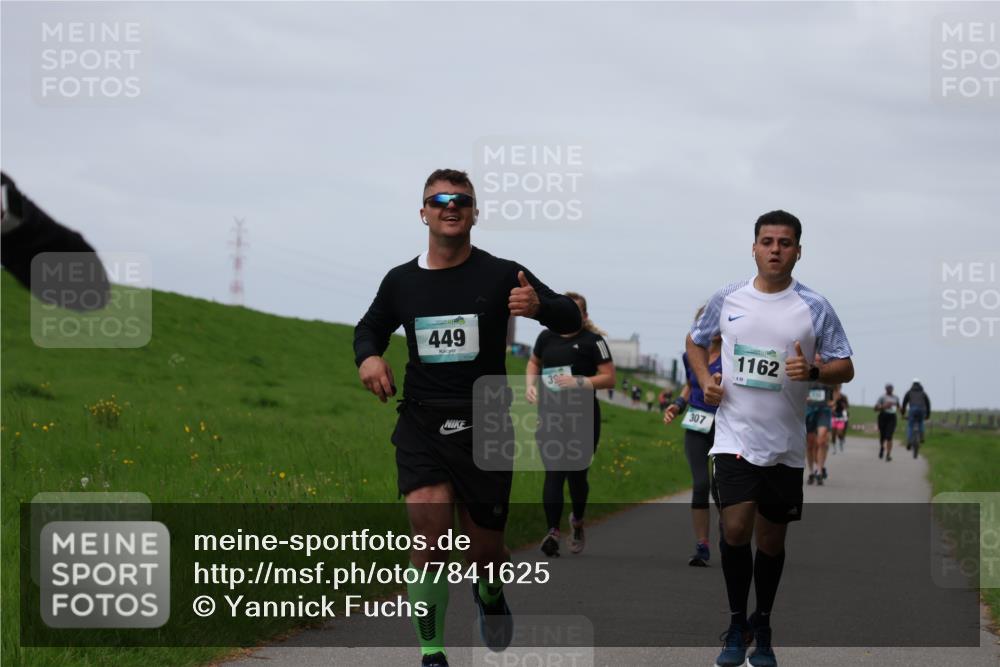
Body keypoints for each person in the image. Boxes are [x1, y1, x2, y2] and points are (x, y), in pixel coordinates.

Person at [353, 169, 582, 667]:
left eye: (461, 199)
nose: (450, 206)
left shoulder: (502, 274)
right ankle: (432, 652)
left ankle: (490, 591)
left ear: (475, 213)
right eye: (438, 199)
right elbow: (368, 329)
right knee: (430, 540)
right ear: (423, 213)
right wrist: (369, 358)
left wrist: (540, 305)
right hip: (422, 421)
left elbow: (571, 318)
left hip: (488, 421)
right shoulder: (401, 281)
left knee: (484, 554)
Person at [687, 210, 854, 667]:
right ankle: (737, 623)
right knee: (736, 529)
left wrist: (815, 370)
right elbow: (695, 340)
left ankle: (763, 623)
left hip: (785, 444)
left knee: (772, 542)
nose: (775, 249)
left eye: (784, 242)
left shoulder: (815, 306)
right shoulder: (728, 297)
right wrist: (705, 379)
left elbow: (846, 364)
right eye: (767, 241)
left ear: (798, 251)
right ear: (754, 247)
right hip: (734, 435)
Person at [526, 292, 615, 557]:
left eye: (573, 312)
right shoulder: (545, 338)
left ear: (584, 316)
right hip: (550, 415)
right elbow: (534, 363)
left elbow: (609, 378)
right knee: (554, 472)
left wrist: (580, 382)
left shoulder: (593, 341)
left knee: (576, 475)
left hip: (583, 417)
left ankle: (577, 520)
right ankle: (552, 531)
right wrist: (530, 385)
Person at [663, 305, 722, 567]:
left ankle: (733, 536)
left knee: (722, 489)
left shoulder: (733, 355)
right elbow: (690, 384)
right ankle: (702, 545)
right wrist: (677, 405)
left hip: (727, 427)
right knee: (700, 485)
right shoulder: (692, 355)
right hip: (697, 424)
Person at [805, 366, 834, 485]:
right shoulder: (805, 371)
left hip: (824, 410)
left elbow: (837, 389)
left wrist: (834, 401)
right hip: (809, 410)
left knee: (822, 440)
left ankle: (820, 471)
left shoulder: (828, 372)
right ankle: (811, 471)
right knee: (811, 443)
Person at [901, 379, 931, 453]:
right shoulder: (923, 393)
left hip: (912, 409)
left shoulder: (909, 392)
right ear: (920, 384)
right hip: (921, 410)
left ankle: (909, 441)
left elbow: (904, 403)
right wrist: (928, 415)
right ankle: (921, 437)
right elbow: (928, 404)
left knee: (910, 426)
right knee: (921, 423)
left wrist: (903, 413)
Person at [874, 383, 900, 460]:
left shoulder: (896, 398)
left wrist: (902, 412)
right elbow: (875, 408)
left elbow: (899, 407)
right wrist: (884, 406)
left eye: (891, 388)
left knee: (889, 436)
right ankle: (882, 448)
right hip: (883, 416)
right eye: (888, 388)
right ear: (886, 389)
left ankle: (888, 454)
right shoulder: (882, 397)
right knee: (882, 436)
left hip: (892, 418)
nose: (890, 390)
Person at [830, 388, 848, 452]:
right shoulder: (831, 396)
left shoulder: (843, 397)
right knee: (833, 434)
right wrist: (832, 407)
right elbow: (829, 404)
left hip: (841, 417)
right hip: (833, 417)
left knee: (839, 433)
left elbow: (846, 406)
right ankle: (834, 448)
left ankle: (841, 441)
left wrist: (844, 407)